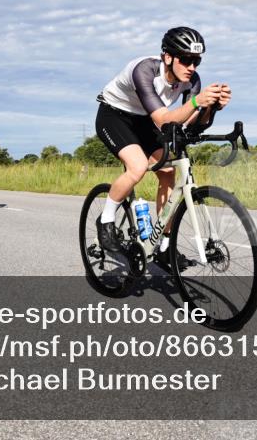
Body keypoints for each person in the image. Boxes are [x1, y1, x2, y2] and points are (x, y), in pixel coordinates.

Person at [94, 26, 231, 269]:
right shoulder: (144, 71)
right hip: (115, 115)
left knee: (168, 172)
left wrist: (211, 108)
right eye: (186, 59)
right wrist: (198, 101)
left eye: (197, 61)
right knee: (136, 167)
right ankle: (106, 221)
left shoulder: (191, 80)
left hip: (147, 120)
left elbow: (187, 123)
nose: (192, 67)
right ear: (168, 57)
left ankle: (165, 245)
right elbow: (166, 121)